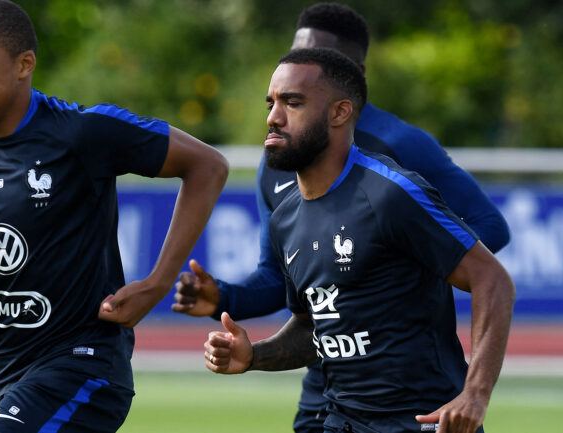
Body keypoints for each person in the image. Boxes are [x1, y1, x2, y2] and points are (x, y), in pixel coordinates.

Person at [0, 1, 228, 432]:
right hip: (7, 378)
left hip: (86, 366)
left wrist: (156, 284)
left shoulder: (82, 132)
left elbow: (208, 166)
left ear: (24, 64)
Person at [172, 3, 510, 432]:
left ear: (340, 111)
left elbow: (493, 279)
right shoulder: (285, 216)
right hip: (338, 416)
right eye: (271, 102)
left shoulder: (390, 191)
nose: (273, 117)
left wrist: (475, 394)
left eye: (291, 103)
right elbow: (313, 327)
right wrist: (252, 353)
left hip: (421, 419)